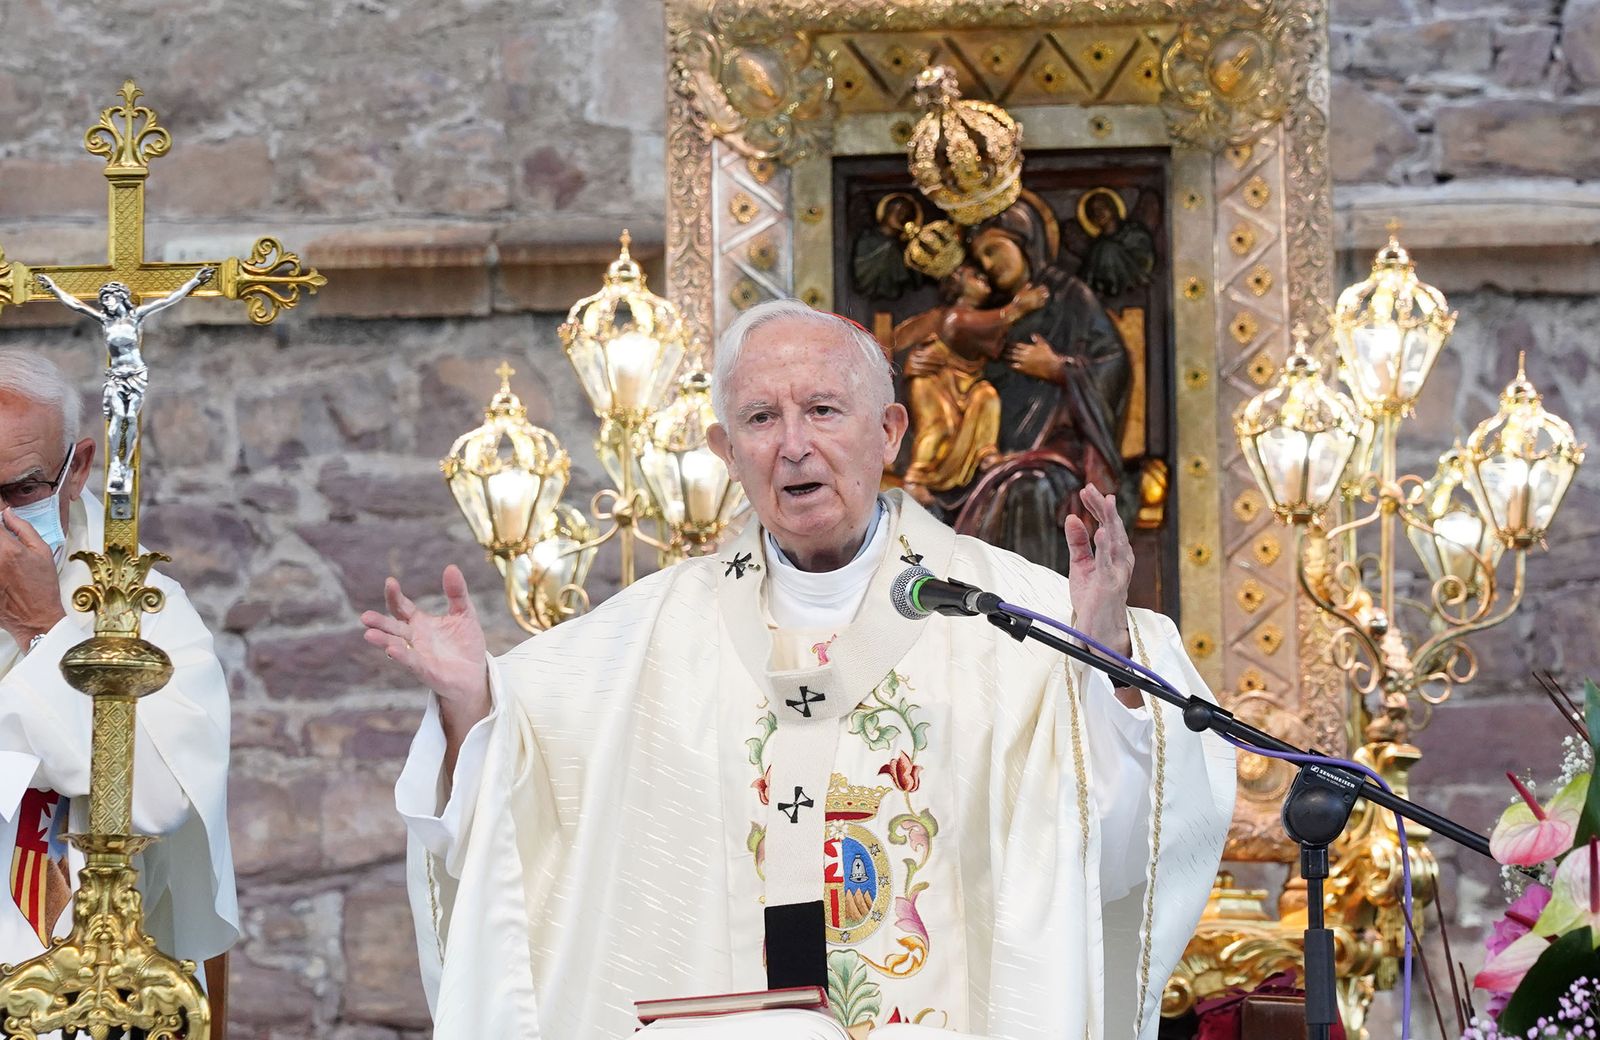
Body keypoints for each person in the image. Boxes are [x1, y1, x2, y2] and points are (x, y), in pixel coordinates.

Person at [372, 300, 1234, 1040]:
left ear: (889, 431)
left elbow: (1125, 836)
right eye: (759, 419)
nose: (792, 446)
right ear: (724, 448)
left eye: (823, 410)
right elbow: (517, 780)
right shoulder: (643, 637)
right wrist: (471, 706)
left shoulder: (1015, 615)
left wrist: (1107, 653)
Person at [0, 350, 237, 970]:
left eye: (21, 489)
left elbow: (156, 802)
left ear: (76, 469)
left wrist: (41, 629)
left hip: (91, 974)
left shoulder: (145, 609)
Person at [956, 201, 1133, 574]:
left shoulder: (1070, 297)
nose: (987, 264)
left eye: (994, 250)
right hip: (980, 446)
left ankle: (1034, 614)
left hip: (1058, 446)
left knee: (1029, 488)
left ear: (1026, 243)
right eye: (980, 257)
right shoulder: (985, 311)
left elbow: (1112, 364)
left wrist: (1058, 368)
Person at [890, 266, 1048, 507]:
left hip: (967, 381)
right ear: (958, 286)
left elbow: (995, 345)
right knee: (939, 427)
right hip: (932, 380)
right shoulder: (956, 316)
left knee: (986, 396)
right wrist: (1019, 306)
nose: (984, 277)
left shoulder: (980, 318)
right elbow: (975, 325)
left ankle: (986, 455)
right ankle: (915, 479)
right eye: (975, 275)